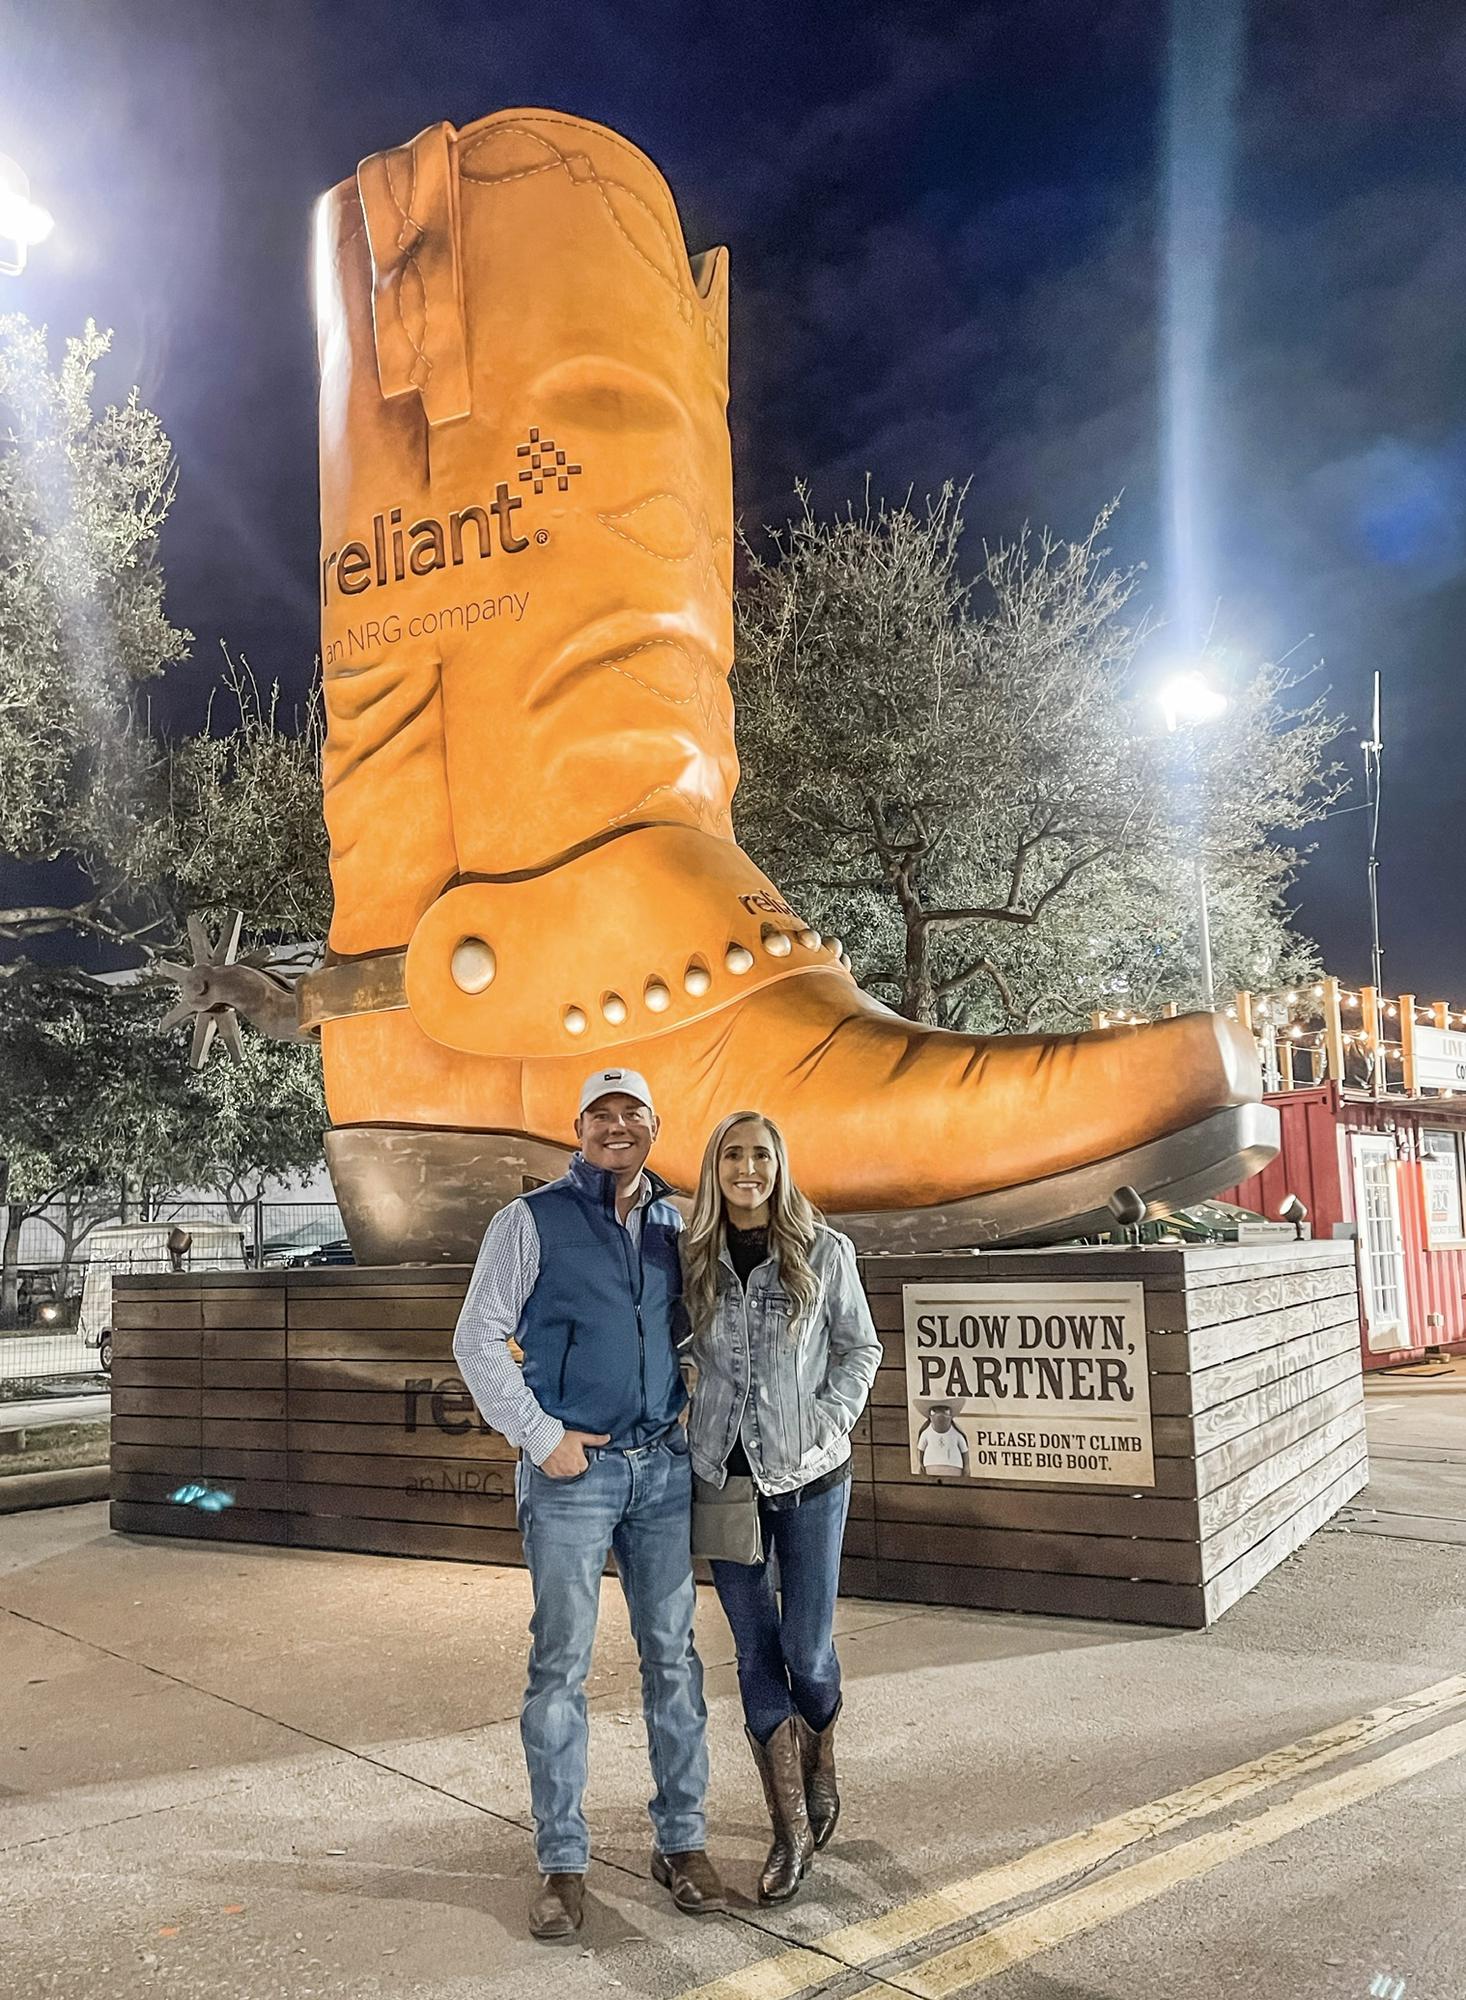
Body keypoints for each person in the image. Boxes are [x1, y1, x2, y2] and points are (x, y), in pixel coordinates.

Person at [452, 1068, 726, 1941]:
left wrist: (687, 1396)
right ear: (577, 1128)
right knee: (560, 1667)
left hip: (662, 1469)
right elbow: (477, 1338)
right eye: (600, 1115)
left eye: (631, 1114)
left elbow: (696, 1326)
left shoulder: (677, 1223)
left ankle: (679, 1843)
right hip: (574, 1475)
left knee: (673, 1660)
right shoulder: (526, 1222)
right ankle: (563, 1865)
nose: (616, 1126)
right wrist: (542, 1437)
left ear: (654, 1126)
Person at [681, 1110, 882, 1904]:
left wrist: (826, 1424)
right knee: (756, 1653)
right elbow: (673, 1347)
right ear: (715, 1167)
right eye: (733, 1155)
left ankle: (821, 1759)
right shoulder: (693, 1259)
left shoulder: (824, 1253)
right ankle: (789, 1829)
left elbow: (859, 1348)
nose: (747, 1168)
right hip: (724, 1481)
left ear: (780, 1165)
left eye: (761, 1155)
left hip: (811, 1480)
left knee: (808, 1648)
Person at [916, 1403, 970, 1476]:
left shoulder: (956, 1434)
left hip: (954, 1467)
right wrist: (920, 1464)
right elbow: (920, 1450)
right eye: (934, 1411)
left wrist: (966, 1466)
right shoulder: (926, 1433)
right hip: (931, 1466)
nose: (940, 1415)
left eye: (945, 1411)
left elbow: (964, 1451)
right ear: (930, 1416)